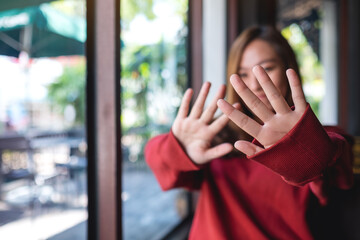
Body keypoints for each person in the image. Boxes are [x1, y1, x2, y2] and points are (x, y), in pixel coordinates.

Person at [145, 25, 354, 239]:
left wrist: (303, 150)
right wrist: (179, 148)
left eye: (266, 69)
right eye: (243, 74)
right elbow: (155, 157)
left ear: (288, 67)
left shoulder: (323, 137)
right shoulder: (215, 137)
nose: (254, 84)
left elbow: (337, 168)